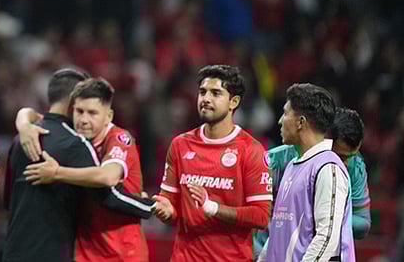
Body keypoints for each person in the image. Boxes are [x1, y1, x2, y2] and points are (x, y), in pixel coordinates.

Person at [3, 68, 153, 262]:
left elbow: (108, 178)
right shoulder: (74, 143)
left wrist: (57, 172)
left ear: (108, 115)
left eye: (92, 113)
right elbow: (108, 196)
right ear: (73, 104)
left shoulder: (20, 140)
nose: (84, 119)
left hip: (119, 254)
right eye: (80, 111)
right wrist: (146, 206)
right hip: (76, 252)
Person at [153, 64, 271, 262]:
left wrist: (213, 208)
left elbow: (261, 217)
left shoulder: (251, 150)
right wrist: (166, 211)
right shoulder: (180, 145)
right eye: (202, 92)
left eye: (216, 93)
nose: (206, 99)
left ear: (233, 102)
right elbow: (171, 206)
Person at [253, 107, 371, 257]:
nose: (345, 164)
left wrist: (326, 215)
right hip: (270, 250)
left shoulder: (355, 167)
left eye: (351, 156)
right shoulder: (275, 161)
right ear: (323, 138)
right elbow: (251, 217)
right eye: (340, 157)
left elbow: (363, 223)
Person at [260, 84, 354, 262]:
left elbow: (326, 239)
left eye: (286, 113)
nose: (280, 120)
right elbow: (278, 233)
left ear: (301, 122)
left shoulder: (328, 168)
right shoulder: (291, 166)